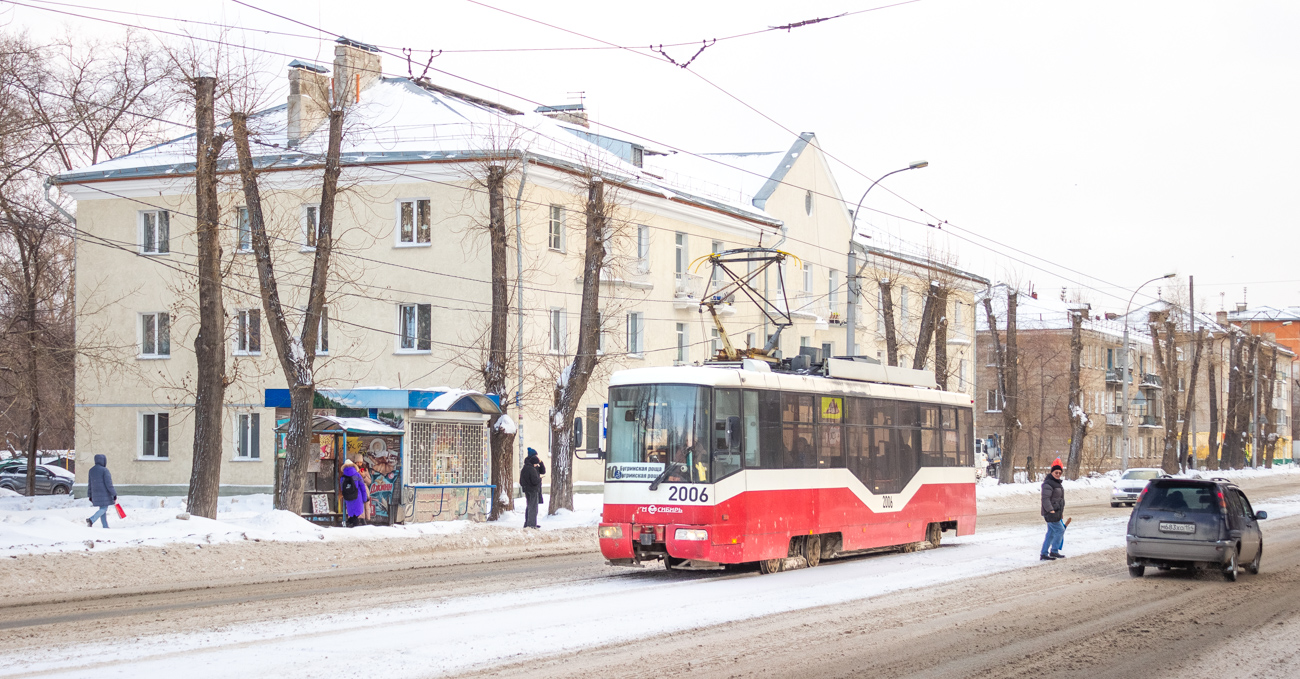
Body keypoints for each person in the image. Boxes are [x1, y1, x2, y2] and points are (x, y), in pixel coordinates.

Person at [1040, 464, 1066, 560]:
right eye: (1056, 472)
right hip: (1051, 512)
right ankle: (1054, 551)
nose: (1058, 474)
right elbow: (1045, 499)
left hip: (1056, 511)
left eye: (1060, 473)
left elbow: (1059, 499)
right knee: (1060, 530)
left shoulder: (1057, 483)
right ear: (1052, 472)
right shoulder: (1048, 484)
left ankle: (1044, 553)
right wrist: (1050, 510)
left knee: (1051, 533)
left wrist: (1060, 513)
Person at [85, 454, 116, 528]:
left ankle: (105, 527)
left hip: (95, 494)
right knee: (104, 508)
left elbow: (90, 484)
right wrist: (114, 493)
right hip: (104, 494)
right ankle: (92, 519)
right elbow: (109, 484)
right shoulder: (105, 470)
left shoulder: (91, 470)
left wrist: (90, 495)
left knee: (102, 509)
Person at [340, 459, 369, 527]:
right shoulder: (357, 475)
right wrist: (365, 498)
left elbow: (342, 489)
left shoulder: (343, 477)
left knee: (352, 514)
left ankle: (350, 523)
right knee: (357, 514)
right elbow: (362, 487)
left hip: (348, 497)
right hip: (357, 497)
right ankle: (353, 525)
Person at [520, 450, 543, 529]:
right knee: (533, 507)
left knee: (529, 506)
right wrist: (539, 479)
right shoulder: (532, 469)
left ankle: (528, 523)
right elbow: (534, 481)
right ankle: (531, 524)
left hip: (527, 490)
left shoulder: (525, 467)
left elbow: (522, 481)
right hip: (533, 490)